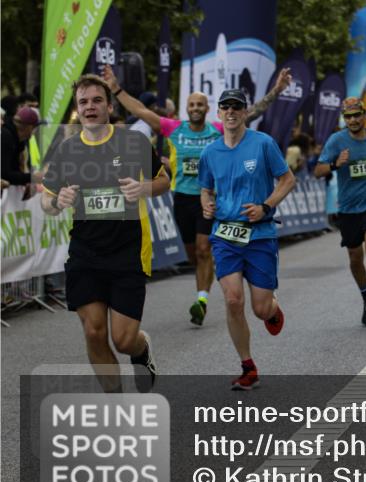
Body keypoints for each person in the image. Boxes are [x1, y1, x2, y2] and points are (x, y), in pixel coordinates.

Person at [107, 64, 290, 326]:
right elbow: (140, 111)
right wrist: (116, 89)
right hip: (181, 198)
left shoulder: (218, 128)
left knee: (205, 249)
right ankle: (207, 279)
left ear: (207, 109)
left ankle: (202, 299)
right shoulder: (173, 129)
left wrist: (276, 90)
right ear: (187, 109)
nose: (195, 109)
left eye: (199, 105)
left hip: (210, 201)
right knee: (195, 254)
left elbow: (253, 110)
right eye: (191, 105)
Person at [41, 74, 170, 392]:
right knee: (94, 332)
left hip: (128, 250)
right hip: (85, 252)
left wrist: (143, 188)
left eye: (97, 100)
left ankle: (141, 350)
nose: (90, 107)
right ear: (77, 109)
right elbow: (46, 201)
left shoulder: (133, 143)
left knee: (123, 340)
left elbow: (164, 181)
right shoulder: (67, 150)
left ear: (109, 106)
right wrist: (58, 200)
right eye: (83, 102)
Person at [199, 89, 296, 390]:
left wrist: (266, 206)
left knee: (260, 309)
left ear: (245, 113)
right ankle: (247, 365)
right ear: (219, 113)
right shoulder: (209, 152)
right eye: (225, 107)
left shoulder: (263, 144)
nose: (230, 112)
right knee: (232, 300)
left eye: (236, 108)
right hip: (225, 234)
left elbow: (288, 179)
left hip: (260, 234)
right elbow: (205, 188)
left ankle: (272, 309)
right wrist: (206, 202)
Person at [314, 97, 366, 327]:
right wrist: (336, 164)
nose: (353, 120)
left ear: (364, 115)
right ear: (344, 119)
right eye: (348, 116)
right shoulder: (336, 140)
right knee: (355, 258)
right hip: (347, 208)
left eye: (357, 115)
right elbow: (318, 171)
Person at [1, 107, 42, 189]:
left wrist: (25, 181)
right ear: (29, 127)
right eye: (36, 128)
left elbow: (14, 170)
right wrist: (32, 178)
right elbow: (5, 174)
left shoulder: (19, 141)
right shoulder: (6, 137)